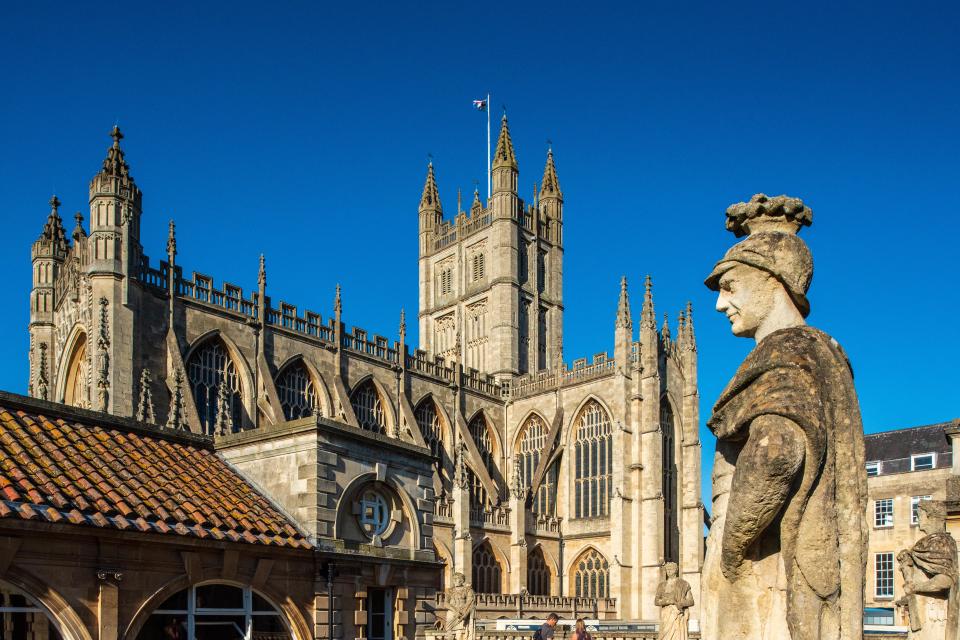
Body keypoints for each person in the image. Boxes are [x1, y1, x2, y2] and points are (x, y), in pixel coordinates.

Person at [701, 194, 867, 640]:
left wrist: (732, 549)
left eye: (729, 286)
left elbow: (775, 454)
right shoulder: (826, 352)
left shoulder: (786, 352)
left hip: (764, 569)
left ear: (770, 280)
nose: (720, 303)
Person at [896, 501, 958, 640]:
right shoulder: (924, 544)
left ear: (930, 516)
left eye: (920, 515)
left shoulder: (940, 543)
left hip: (934, 613)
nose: (918, 519)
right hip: (919, 612)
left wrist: (916, 587)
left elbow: (946, 580)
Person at [655, 562, 694, 640]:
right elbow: (656, 601)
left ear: (676, 570)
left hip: (678, 615)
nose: (668, 571)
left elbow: (691, 601)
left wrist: (681, 603)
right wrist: (669, 601)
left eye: (671, 569)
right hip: (666, 615)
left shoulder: (684, 584)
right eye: (667, 569)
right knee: (664, 635)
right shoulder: (662, 585)